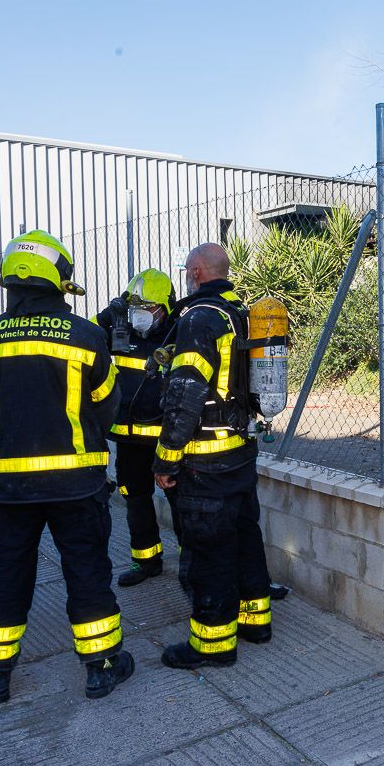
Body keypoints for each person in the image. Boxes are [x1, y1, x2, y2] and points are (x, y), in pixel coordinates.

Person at [0, 229, 133, 704]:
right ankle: (101, 667)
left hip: (9, 488)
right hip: (76, 485)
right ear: (56, 279)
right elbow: (106, 404)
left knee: (5, 573)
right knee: (86, 571)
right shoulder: (85, 335)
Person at [154, 242, 272, 669]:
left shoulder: (200, 319)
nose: (187, 277)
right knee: (244, 536)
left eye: (188, 271)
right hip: (240, 450)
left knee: (208, 551)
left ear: (198, 272)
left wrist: (166, 459)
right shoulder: (238, 313)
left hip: (205, 460)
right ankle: (256, 621)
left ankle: (212, 644)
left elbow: (186, 394)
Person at [93, 269, 176, 587]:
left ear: (164, 309)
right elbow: (81, 338)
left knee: (179, 502)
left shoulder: (176, 336)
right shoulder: (118, 332)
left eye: (147, 308)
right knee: (135, 498)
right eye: (134, 308)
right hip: (128, 440)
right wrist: (105, 317)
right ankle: (146, 561)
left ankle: (191, 561)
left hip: (166, 439)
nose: (139, 315)